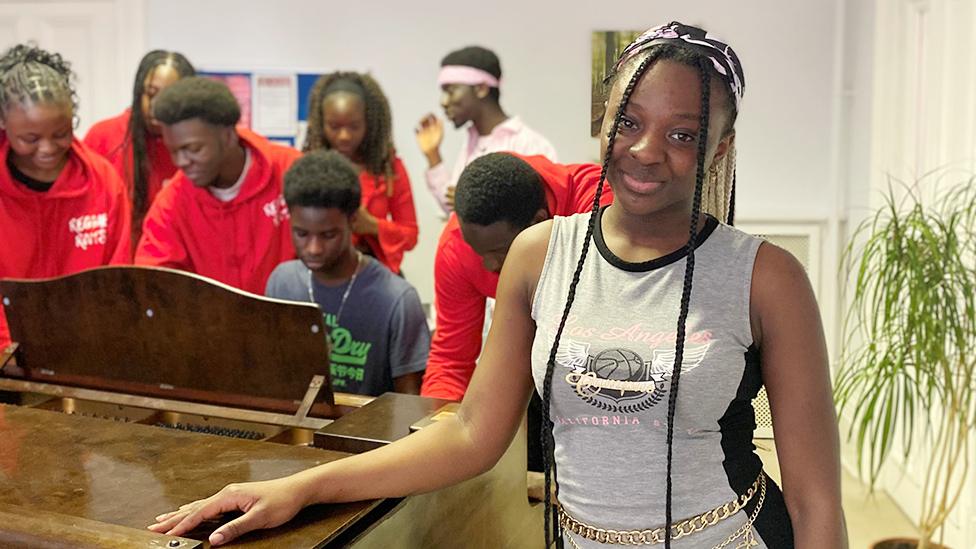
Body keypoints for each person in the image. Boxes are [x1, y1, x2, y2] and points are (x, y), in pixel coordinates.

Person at [149, 22, 846, 549]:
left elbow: (818, 504)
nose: (645, 150)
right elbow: (475, 432)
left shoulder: (766, 277)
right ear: (604, 119)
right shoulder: (540, 254)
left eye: (684, 134)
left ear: (720, 146)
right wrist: (300, 486)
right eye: (629, 121)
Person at [421, 152, 611, 401]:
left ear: (539, 222)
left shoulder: (597, 210)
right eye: (478, 252)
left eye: (499, 251)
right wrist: (432, 423)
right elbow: (451, 362)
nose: (488, 265)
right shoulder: (458, 246)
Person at [0, 44, 131, 351]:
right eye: (30, 139)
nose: (47, 148)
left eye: (61, 133)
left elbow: (117, 275)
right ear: (4, 125)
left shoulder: (103, 182)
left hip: (85, 349)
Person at [265, 150, 429, 395]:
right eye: (302, 234)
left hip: (368, 432)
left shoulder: (397, 300)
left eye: (328, 235)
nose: (313, 248)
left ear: (353, 221)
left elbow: (409, 404)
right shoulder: (282, 283)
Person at [134, 77, 301, 294]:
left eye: (193, 148)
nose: (181, 162)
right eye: (173, 151)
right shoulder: (172, 203)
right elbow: (152, 283)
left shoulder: (289, 171)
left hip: (293, 321)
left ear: (228, 136)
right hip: (210, 325)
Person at [416, 45, 558, 214]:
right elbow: (453, 210)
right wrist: (433, 156)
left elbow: (544, 213)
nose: (443, 101)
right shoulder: (472, 141)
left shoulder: (531, 145)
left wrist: (474, 205)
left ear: (481, 88)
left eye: (451, 91)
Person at [303, 72, 419, 274]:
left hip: (376, 275)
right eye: (334, 126)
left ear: (370, 123)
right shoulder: (308, 167)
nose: (344, 136)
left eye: (354, 126)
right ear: (321, 124)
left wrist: (373, 225)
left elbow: (410, 235)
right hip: (320, 274)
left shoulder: (390, 169)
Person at [84, 50, 195, 248]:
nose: (156, 106)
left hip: (172, 266)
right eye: (150, 94)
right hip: (114, 267)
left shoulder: (194, 146)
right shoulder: (104, 137)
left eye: (169, 97)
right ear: (138, 92)